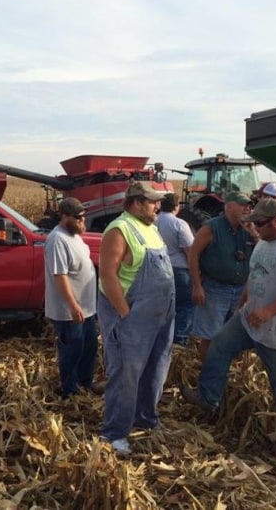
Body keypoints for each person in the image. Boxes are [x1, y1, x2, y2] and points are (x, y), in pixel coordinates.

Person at [181, 199, 276, 411]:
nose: (254, 229)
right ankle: (208, 398)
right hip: (249, 318)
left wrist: (268, 311)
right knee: (219, 345)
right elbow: (254, 274)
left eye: (259, 224)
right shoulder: (264, 242)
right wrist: (243, 302)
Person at [97, 181, 174, 456]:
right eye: (153, 201)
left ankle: (146, 418)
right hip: (133, 317)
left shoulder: (152, 228)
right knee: (126, 375)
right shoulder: (120, 230)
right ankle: (114, 433)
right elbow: (107, 275)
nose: (158, 206)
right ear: (136, 202)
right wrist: (125, 315)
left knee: (156, 368)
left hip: (160, 315)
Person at [189, 191, 257, 360]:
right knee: (211, 335)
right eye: (242, 205)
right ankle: (207, 369)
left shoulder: (249, 228)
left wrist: (254, 234)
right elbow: (193, 254)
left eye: (248, 205)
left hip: (241, 289)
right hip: (215, 289)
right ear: (229, 206)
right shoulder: (211, 228)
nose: (247, 208)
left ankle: (229, 373)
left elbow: (262, 251)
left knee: (235, 335)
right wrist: (197, 286)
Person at [44, 197, 100, 398]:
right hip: (69, 311)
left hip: (86, 307)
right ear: (64, 216)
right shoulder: (57, 239)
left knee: (89, 346)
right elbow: (60, 276)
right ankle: (69, 389)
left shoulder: (75, 236)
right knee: (72, 350)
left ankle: (86, 382)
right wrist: (73, 305)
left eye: (83, 217)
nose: (82, 221)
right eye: (78, 218)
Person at [157, 193, 195, 347]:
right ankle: (178, 340)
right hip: (179, 270)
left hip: (158, 269)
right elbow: (189, 250)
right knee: (186, 304)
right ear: (176, 206)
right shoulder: (179, 224)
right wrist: (196, 272)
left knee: (163, 305)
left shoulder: (152, 222)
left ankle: (162, 338)